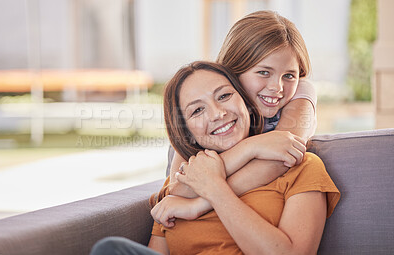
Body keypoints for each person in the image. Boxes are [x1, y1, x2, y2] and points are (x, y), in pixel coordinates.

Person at [90, 61, 340, 255]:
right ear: (187, 131)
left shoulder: (299, 166)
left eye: (224, 96)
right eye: (197, 110)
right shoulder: (182, 184)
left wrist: (215, 189)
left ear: (246, 102)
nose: (218, 113)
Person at [166, 10, 318, 199]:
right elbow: (179, 188)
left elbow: (284, 156)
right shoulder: (203, 115)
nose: (276, 87)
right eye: (263, 72)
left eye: (289, 76)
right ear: (233, 70)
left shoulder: (301, 93)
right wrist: (251, 147)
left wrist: (203, 201)